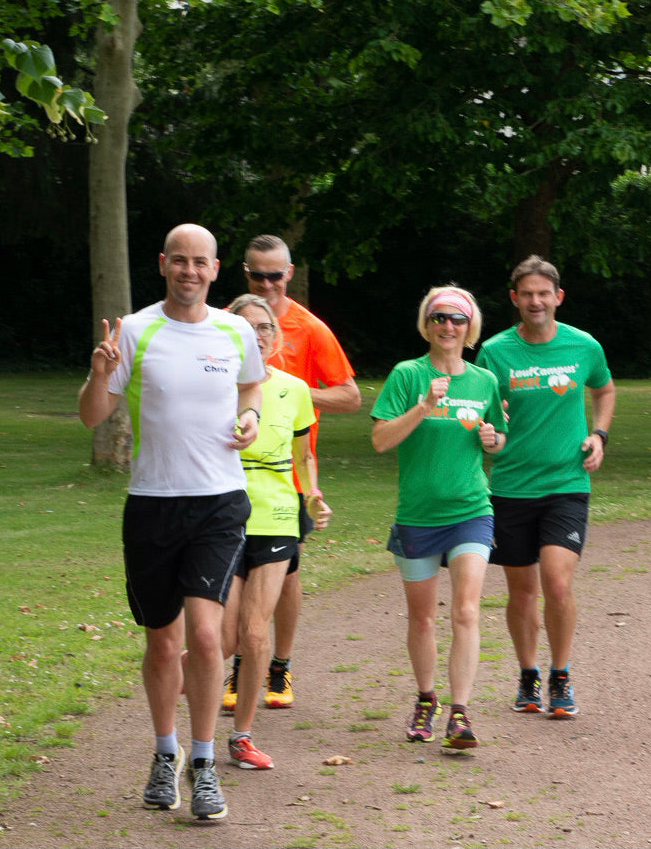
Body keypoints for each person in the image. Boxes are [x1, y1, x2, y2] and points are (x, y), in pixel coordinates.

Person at [78, 224, 264, 821]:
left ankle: (204, 763)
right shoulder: (136, 330)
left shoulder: (235, 329)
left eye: (200, 262)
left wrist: (252, 416)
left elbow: (252, 384)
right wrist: (100, 373)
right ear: (163, 265)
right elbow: (91, 417)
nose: (189, 270)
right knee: (163, 641)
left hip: (219, 503)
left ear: (215, 271)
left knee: (207, 636)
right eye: (178, 260)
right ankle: (165, 752)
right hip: (153, 503)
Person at [477, 256, 615, 718]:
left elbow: (605, 389)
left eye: (544, 293)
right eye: (526, 294)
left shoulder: (583, 346)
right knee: (522, 590)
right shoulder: (495, 351)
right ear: (515, 300)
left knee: (556, 581)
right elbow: (483, 408)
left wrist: (599, 434)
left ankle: (560, 674)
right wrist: (491, 427)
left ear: (558, 297)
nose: (535, 301)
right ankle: (527, 673)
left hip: (566, 483)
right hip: (511, 485)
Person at [370, 286, 507, 751]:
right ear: (426, 325)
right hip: (418, 515)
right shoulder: (408, 375)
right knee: (423, 618)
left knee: (467, 611)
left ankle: (461, 714)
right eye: (439, 318)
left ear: (470, 328)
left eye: (457, 319)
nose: (448, 326)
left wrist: (492, 441)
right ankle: (426, 699)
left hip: (471, 510)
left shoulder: (484, 381)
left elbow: (497, 438)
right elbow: (381, 441)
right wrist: (424, 406)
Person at [231, 234, 360, 713]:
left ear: (289, 273)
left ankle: (279, 666)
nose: (267, 284)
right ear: (245, 274)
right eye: (257, 275)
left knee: (284, 576)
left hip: (290, 475)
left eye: (276, 275)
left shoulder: (309, 328)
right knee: (235, 577)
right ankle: (242, 665)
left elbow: (349, 396)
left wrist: (293, 393)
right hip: (232, 477)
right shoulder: (230, 322)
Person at [219, 295, 330, 771]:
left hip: (278, 517)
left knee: (253, 629)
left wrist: (313, 495)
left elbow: (304, 455)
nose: (258, 335)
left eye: (265, 327)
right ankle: (187, 708)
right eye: (247, 328)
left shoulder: (295, 389)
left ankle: (242, 737)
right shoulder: (213, 387)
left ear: (275, 335)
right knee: (221, 639)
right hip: (221, 516)